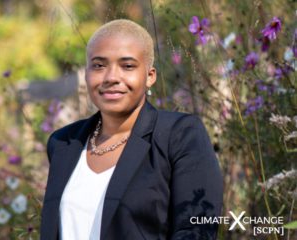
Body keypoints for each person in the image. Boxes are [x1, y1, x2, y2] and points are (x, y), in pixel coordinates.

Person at [40, 19, 223, 240]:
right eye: (99, 65)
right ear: (86, 73)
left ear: (150, 76)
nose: (111, 78)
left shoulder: (180, 135)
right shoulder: (64, 143)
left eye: (127, 66)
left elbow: (197, 229)